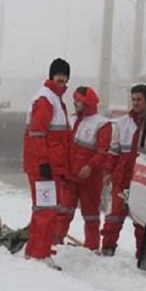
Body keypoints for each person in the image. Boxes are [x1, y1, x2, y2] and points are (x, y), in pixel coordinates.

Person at [101, 84, 146, 258]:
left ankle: (142, 255)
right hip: (122, 178)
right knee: (114, 216)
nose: (135, 103)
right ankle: (107, 248)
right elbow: (114, 150)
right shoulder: (122, 123)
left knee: (142, 220)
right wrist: (107, 172)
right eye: (133, 99)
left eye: (139, 100)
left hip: (144, 179)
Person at [22, 58, 71, 269]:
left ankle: (33, 251)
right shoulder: (46, 100)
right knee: (47, 211)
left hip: (50, 165)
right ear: (52, 75)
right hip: (44, 166)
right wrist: (43, 161)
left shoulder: (54, 99)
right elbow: (37, 132)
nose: (62, 79)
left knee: (42, 209)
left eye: (65, 75)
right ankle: (40, 255)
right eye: (59, 75)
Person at [55, 86, 112, 251]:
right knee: (63, 211)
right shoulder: (71, 120)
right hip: (70, 177)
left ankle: (92, 248)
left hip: (90, 179)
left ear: (86, 102)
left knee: (91, 215)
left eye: (78, 100)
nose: (74, 102)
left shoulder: (102, 124)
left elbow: (103, 151)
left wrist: (91, 166)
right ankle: (56, 243)